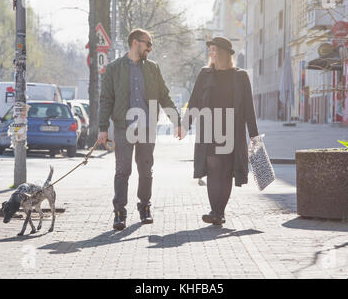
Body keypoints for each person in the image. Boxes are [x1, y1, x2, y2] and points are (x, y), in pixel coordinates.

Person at [97, 29, 184, 231]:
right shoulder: (114, 69)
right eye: (148, 44)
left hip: (147, 127)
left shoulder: (153, 69)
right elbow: (106, 100)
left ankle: (145, 207)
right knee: (122, 170)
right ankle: (119, 212)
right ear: (135, 43)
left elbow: (164, 96)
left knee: (146, 170)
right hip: (122, 127)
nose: (150, 48)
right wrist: (102, 128)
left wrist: (177, 121)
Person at [183, 36, 259, 225]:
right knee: (213, 169)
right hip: (209, 130)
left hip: (232, 132)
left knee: (225, 172)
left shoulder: (240, 76)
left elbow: (249, 107)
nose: (211, 53)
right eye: (210, 50)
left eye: (215, 50)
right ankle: (215, 211)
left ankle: (219, 212)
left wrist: (254, 135)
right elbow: (194, 102)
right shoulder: (205, 74)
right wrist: (185, 125)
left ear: (225, 53)